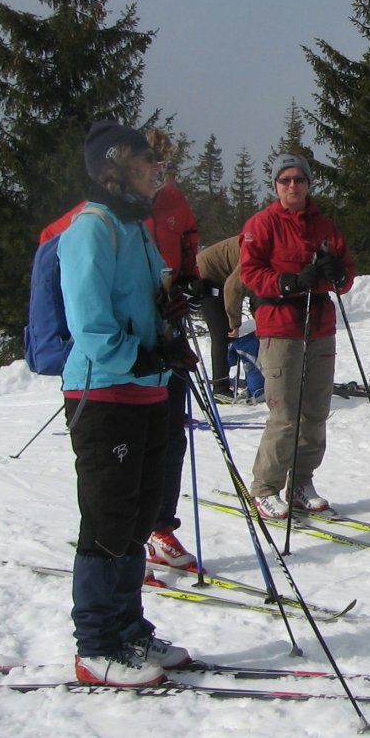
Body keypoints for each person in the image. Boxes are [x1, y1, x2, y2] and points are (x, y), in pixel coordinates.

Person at [59, 120, 197, 686]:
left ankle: (128, 628)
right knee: (109, 517)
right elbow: (90, 325)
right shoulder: (91, 229)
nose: (156, 172)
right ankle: (95, 644)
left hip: (144, 388)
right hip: (105, 390)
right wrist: (138, 358)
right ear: (117, 168)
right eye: (146, 164)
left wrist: (171, 302)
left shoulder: (134, 224)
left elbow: (142, 297)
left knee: (138, 514)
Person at [238, 153, 354, 520]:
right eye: (285, 180)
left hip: (319, 325)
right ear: (275, 185)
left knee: (316, 411)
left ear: (308, 184)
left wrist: (337, 273)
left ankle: (302, 481)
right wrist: (288, 282)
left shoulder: (325, 226)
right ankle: (265, 487)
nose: (293, 186)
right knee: (285, 414)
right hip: (280, 325)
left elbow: (347, 274)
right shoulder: (262, 223)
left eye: (299, 180)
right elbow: (250, 273)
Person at [141, 129, 201, 572]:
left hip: (172, 328)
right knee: (135, 434)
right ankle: (129, 532)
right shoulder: (125, 208)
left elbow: (188, 252)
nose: (159, 174)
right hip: (137, 332)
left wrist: (189, 282)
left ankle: (160, 526)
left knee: (172, 433)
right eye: (152, 164)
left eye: (165, 166)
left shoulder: (175, 204)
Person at [193, 233, 249, 399]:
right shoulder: (253, 250)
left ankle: (226, 380)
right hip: (205, 277)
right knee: (222, 333)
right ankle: (220, 387)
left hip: (218, 276)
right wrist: (235, 322)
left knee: (226, 333)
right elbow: (232, 288)